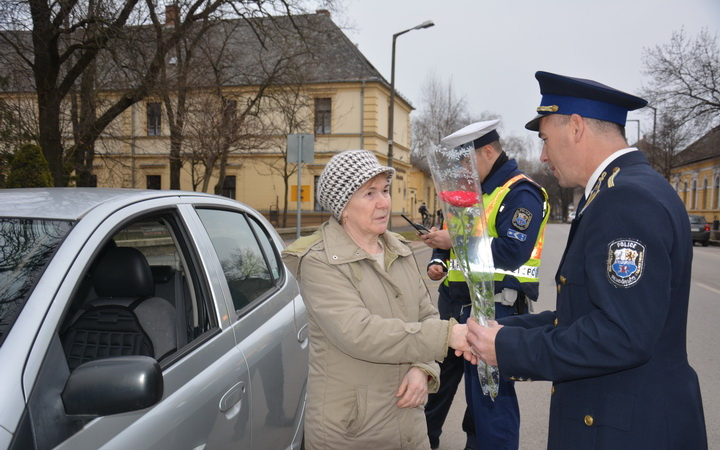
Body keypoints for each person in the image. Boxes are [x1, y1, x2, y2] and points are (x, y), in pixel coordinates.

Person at [465, 71, 708, 450]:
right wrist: (504, 331)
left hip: (626, 428)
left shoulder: (625, 199)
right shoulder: (626, 188)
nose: (543, 155)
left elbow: (622, 334)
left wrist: (509, 350)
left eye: (544, 139)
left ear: (575, 128)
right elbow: (585, 314)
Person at [281, 150, 471, 450]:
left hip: (409, 424)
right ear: (343, 207)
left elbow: (425, 315)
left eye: (385, 190)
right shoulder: (319, 262)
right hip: (352, 432)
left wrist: (424, 369)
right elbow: (360, 333)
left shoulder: (399, 249)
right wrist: (448, 335)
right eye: (369, 193)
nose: (384, 202)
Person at [422, 119, 549, 450]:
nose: (461, 169)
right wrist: (441, 255)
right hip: (455, 305)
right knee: (433, 387)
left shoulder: (522, 193)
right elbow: (454, 239)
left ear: (488, 151)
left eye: (465, 161)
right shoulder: (472, 193)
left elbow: (511, 250)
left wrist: (456, 241)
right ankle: (419, 443)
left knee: (490, 401)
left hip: (494, 308)